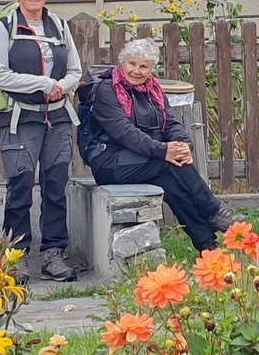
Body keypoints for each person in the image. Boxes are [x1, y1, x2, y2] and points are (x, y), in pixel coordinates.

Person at [86, 39, 245, 251]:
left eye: (144, 66)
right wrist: (164, 151)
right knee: (169, 163)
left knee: (171, 185)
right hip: (110, 163)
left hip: (145, 160)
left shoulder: (154, 90)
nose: (136, 71)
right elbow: (125, 133)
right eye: (132, 63)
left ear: (151, 69)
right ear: (122, 62)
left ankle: (208, 246)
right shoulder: (107, 90)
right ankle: (213, 211)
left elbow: (170, 123)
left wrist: (184, 145)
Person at [0, 0, 81, 283]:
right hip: (21, 116)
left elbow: (76, 70)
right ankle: (16, 256)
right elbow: (0, 75)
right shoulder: (5, 27)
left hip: (57, 116)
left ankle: (54, 254)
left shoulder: (60, 26)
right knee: (20, 185)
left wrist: (61, 87)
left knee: (56, 185)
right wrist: (43, 83)